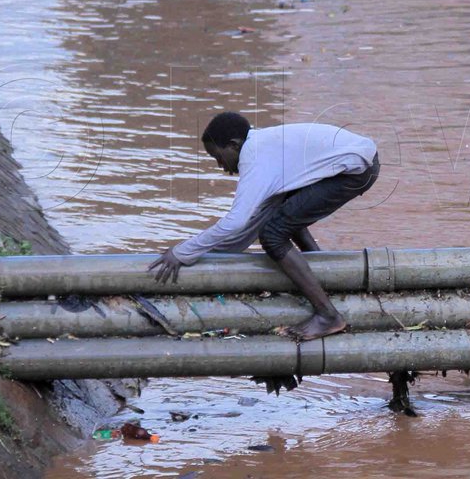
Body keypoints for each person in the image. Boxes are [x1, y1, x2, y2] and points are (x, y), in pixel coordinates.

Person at [147, 112, 379, 341]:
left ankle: (328, 315)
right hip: (360, 161)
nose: (220, 166)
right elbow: (254, 220)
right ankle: (322, 280)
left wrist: (182, 253)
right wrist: (215, 255)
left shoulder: (255, 157)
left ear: (234, 145)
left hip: (354, 169)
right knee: (281, 218)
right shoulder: (263, 146)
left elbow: (237, 222)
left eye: (218, 157)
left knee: (272, 235)